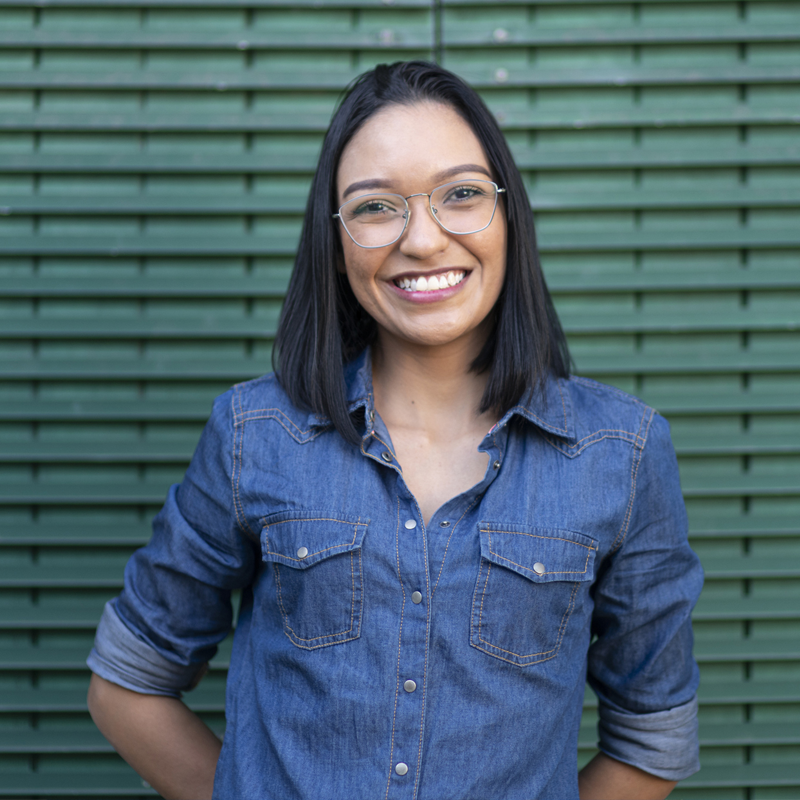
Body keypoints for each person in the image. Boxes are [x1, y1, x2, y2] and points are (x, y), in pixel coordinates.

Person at [86, 61, 703, 800]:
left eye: (462, 195)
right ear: (337, 238)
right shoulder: (256, 435)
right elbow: (127, 683)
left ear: (509, 213)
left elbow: (652, 738)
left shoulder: (622, 454)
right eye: (377, 207)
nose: (423, 240)